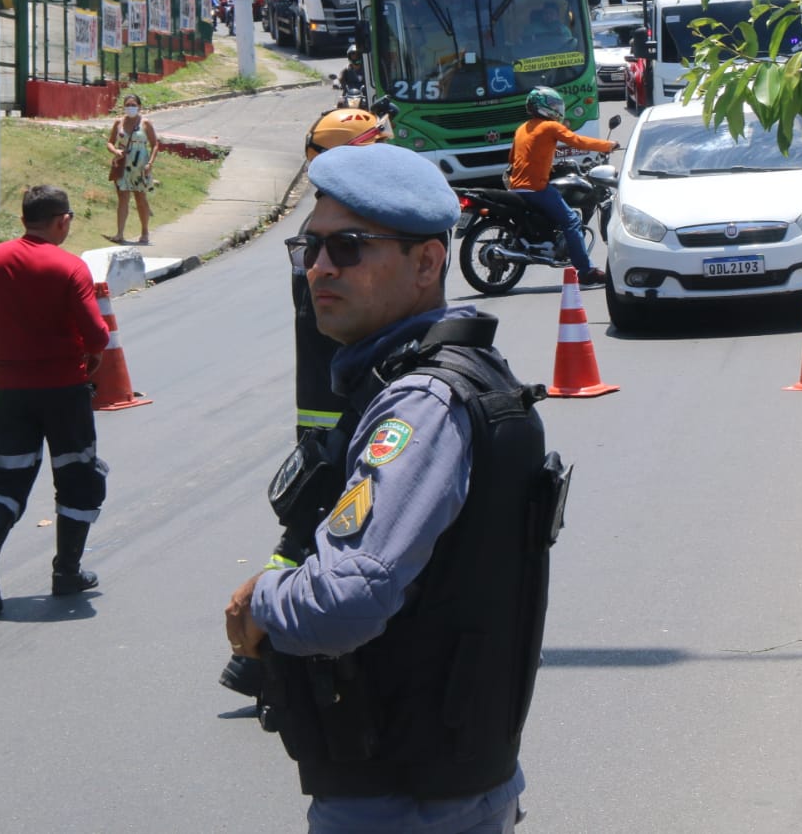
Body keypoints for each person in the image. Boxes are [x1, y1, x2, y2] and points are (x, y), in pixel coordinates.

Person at [224, 142, 563, 833]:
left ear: (427, 263)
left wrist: (263, 601)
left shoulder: (420, 403)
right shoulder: (452, 373)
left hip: (404, 802)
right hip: (439, 785)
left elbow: (347, 600)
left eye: (348, 247)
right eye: (309, 247)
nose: (320, 267)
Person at [217, 102, 393, 699]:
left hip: (333, 405)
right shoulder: (339, 236)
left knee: (316, 525)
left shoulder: (329, 225)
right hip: (344, 407)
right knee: (319, 530)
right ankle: (263, 660)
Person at [0, 185, 111, 615]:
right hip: (65, 391)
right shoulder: (69, 266)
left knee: (6, 477)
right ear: (62, 221)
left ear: (25, 219)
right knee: (78, 475)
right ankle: (67, 572)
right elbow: (97, 334)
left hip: (9, 393)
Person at [506, 85, 620, 286]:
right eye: (552, 104)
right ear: (542, 107)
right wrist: (608, 145)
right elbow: (577, 141)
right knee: (572, 221)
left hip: (516, 186)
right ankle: (586, 271)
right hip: (536, 187)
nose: (556, 108)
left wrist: (547, 161)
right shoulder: (550, 127)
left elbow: (513, 158)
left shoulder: (522, 128)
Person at [108, 93, 158, 244]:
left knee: (140, 197)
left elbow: (155, 144)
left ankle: (144, 231)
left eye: (133, 105)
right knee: (122, 198)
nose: (130, 107)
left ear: (139, 106)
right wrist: (115, 151)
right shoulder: (119, 122)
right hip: (123, 163)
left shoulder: (145, 123)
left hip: (140, 164)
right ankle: (119, 233)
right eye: (128, 105)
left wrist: (150, 163)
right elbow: (110, 142)